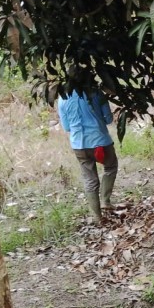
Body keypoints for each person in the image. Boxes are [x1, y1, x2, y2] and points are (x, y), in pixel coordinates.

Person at [58, 85, 118, 223]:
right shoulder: (95, 92)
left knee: (90, 179)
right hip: (100, 141)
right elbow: (108, 119)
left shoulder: (62, 98)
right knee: (110, 167)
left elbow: (67, 127)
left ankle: (97, 217)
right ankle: (105, 201)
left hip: (79, 146)